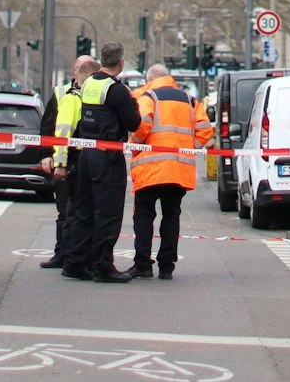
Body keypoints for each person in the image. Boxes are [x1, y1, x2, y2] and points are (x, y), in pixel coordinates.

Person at [63, 41, 141, 283]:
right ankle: (103, 267)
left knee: (84, 211)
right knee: (108, 213)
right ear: (120, 62)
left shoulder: (89, 84)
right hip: (107, 157)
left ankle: (75, 263)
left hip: (87, 153)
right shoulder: (116, 89)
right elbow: (133, 123)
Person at [128, 64, 213, 280]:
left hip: (150, 168)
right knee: (171, 216)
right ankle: (167, 267)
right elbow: (205, 130)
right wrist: (187, 148)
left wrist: (137, 146)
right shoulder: (190, 100)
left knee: (144, 215)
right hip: (178, 169)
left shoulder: (149, 97)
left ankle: (143, 264)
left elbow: (141, 127)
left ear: (150, 79)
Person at [38, 55, 98, 269]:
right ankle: (61, 252)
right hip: (66, 156)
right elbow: (49, 127)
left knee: (80, 210)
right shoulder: (61, 92)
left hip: (87, 157)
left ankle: (77, 255)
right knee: (65, 209)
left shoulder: (98, 91)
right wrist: (47, 155)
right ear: (74, 70)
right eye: (79, 67)